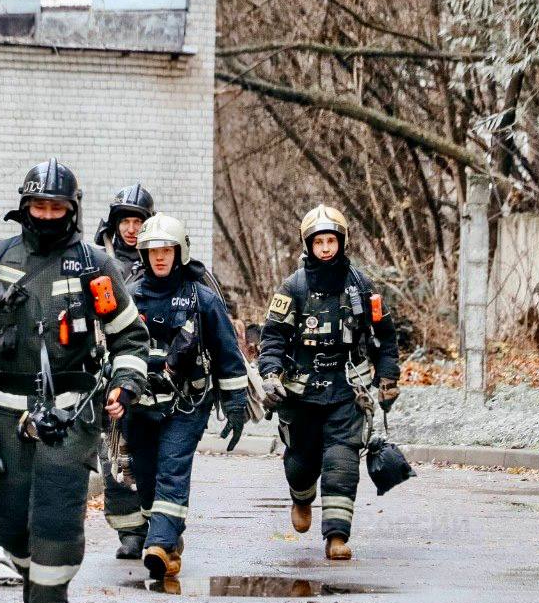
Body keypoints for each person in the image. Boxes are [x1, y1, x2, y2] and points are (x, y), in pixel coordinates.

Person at [0, 159, 150, 603]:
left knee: (56, 513)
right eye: (39, 205)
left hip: (70, 411)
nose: (48, 214)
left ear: (72, 210)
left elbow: (129, 337)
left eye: (57, 207)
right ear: (24, 206)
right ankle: (35, 578)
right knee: (10, 523)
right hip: (4, 414)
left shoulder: (94, 264)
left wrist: (125, 383)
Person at [257, 205, 400, 561]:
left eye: (330, 241)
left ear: (342, 242)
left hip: (346, 388)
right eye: (318, 241)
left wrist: (388, 376)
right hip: (301, 393)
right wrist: (271, 374)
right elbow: (273, 337)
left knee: (342, 461)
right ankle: (301, 497)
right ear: (308, 245)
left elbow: (384, 335)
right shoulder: (292, 287)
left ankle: (336, 536)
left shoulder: (362, 286)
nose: (325, 248)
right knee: (300, 461)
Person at [123, 215, 248, 580]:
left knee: (172, 465)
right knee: (145, 475)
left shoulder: (203, 299)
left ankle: (158, 544)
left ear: (180, 252)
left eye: (166, 250)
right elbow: (110, 351)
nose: (159, 258)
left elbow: (228, 354)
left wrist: (236, 405)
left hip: (187, 405)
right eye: (152, 251)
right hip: (141, 404)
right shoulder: (129, 298)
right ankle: (169, 543)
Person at [94, 184, 156, 558]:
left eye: (138, 221)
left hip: (161, 374)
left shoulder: (166, 261)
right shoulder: (99, 264)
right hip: (112, 370)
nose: (132, 229)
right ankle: (130, 532)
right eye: (126, 221)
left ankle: (159, 522)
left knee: (153, 454)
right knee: (115, 452)